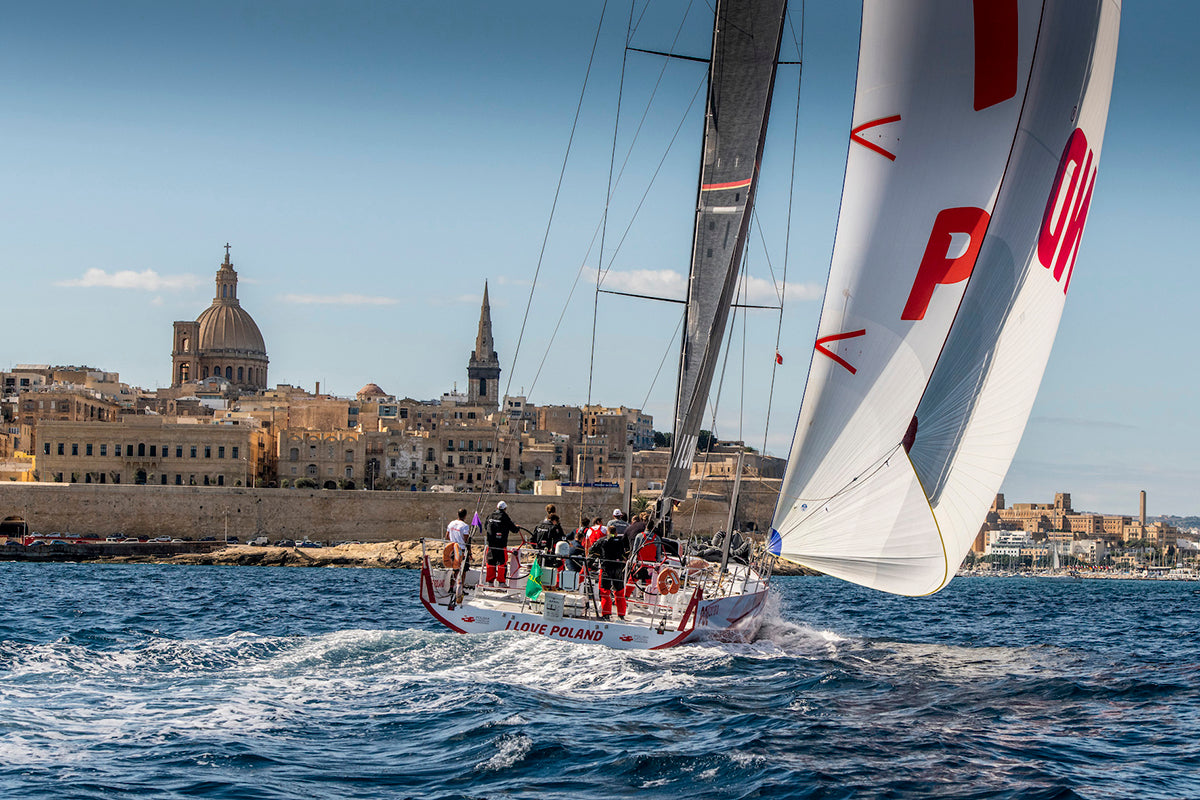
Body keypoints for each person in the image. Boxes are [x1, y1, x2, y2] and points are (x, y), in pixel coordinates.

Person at [594, 525, 631, 620]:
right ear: (615, 533)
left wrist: (599, 555)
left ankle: (606, 614)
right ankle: (621, 615)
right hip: (617, 568)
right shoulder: (620, 541)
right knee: (619, 592)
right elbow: (624, 555)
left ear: (607, 532)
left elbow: (592, 550)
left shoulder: (602, 540)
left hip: (606, 568)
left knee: (605, 592)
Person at [484, 500, 520, 586]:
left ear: (497, 507)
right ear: (505, 509)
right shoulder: (504, 517)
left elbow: (486, 526)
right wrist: (517, 528)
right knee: (502, 563)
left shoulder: (490, 516)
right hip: (501, 545)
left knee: (490, 563)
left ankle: (490, 583)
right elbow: (513, 529)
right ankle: (501, 583)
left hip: (491, 545)